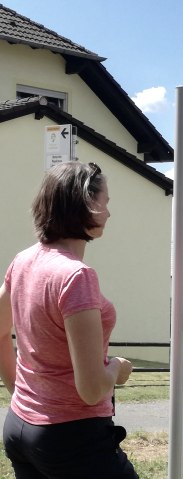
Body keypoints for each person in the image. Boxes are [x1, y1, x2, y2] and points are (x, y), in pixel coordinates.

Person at [0, 162, 138, 478]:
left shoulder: (22, 261)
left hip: (20, 427)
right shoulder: (76, 276)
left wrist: (20, 392)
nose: (109, 212)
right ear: (86, 207)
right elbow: (91, 389)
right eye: (105, 202)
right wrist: (116, 366)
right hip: (73, 437)